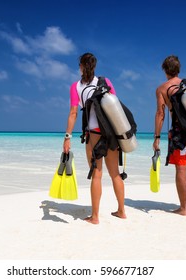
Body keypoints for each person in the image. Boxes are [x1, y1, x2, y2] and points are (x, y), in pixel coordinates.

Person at [63, 52, 126, 224]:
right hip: (111, 133)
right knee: (115, 174)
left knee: (97, 174)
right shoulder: (105, 82)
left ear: (81, 67)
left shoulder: (76, 87)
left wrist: (67, 137)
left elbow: (73, 113)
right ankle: (121, 211)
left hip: (94, 135)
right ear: (94, 66)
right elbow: (116, 108)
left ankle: (95, 217)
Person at [153, 55, 186, 216]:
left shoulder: (162, 89)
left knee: (181, 169)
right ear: (178, 68)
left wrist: (157, 138)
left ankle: (183, 208)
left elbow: (160, 114)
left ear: (165, 70)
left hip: (178, 134)